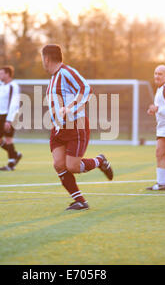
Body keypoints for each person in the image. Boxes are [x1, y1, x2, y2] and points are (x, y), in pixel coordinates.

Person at [42, 44, 113, 211]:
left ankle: (100, 161)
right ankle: (80, 201)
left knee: (72, 166)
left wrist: (71, 108)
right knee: (59, 165)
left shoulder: (66, 72)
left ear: (46, 58)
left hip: (76, 126)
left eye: (42, 59)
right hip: (58, 129)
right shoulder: (53, 78)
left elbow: (86, 89)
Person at [0, 65, 22, 171]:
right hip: (1, 115)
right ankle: (15, 154)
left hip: (11, 115)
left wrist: (9, 120)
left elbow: (14, 103)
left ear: (8, 74)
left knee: (8, 139)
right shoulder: (1, 86)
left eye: (1, 73)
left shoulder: (13, 86)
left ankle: (10, 164)